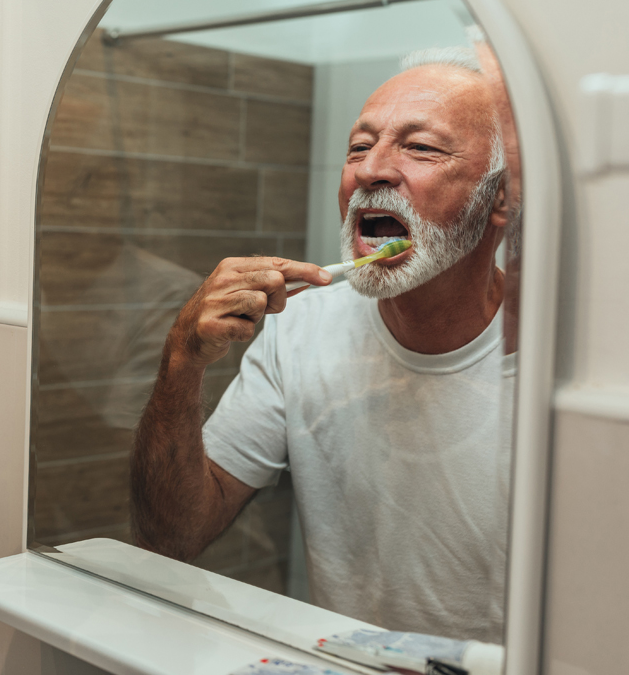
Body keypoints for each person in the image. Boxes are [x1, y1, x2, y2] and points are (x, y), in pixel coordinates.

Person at [131, 47, 513, 643]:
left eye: (420, 147)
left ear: (500, 200)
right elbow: (170, 536)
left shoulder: (565, 358)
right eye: (360, 147)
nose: (370, 171)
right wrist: (182, 359)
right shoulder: (300, 326)